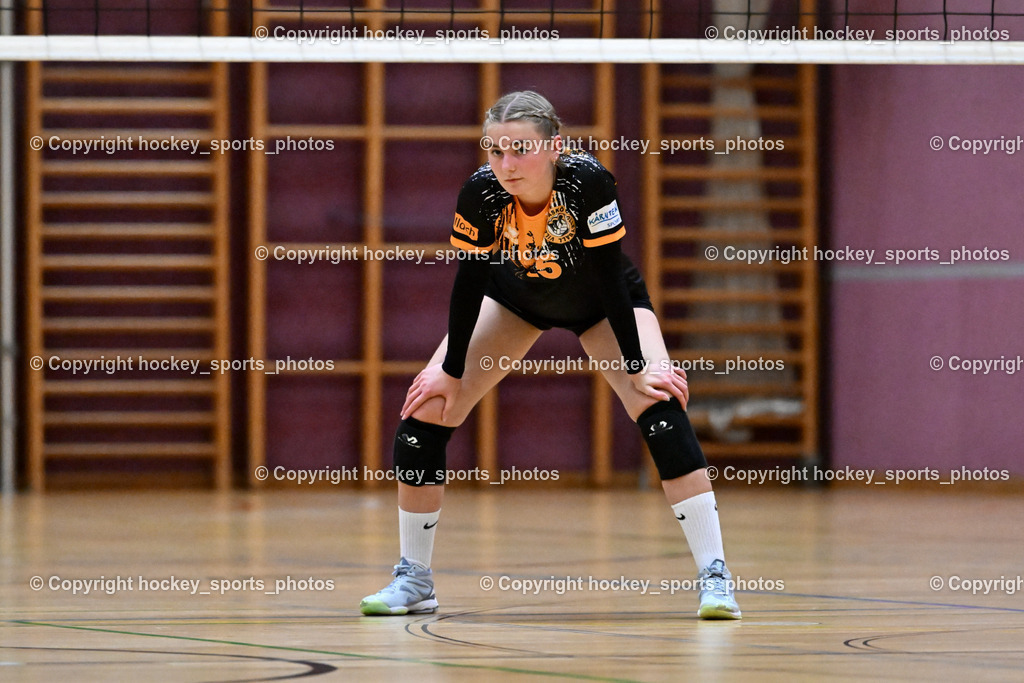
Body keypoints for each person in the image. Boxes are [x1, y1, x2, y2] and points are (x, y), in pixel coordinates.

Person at [360, 91, 740, 620]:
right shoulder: (481, 192)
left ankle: (716, 578)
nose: (506, 164)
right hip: (516, 300)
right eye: (495, 150)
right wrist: (449, 371)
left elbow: (609, 278)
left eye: (520, 149)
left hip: (602, 304)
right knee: (426, 412)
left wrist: (637, 367)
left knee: (661, 410)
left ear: (555, 147)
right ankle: (415, 579)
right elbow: (469, 282)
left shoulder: (588, 183)